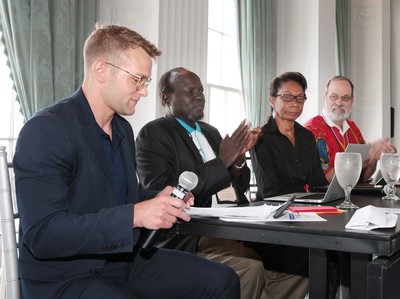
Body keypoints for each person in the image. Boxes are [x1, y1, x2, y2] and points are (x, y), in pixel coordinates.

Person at [13, 24, 240, 299]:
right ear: (101, 71)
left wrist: (157, 197)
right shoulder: (46, 130)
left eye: (145, 81)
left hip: (120, 261)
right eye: (137, 79)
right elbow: (43, 235)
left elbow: (117, 197)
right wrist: (136, 214)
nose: (144, 91)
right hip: (63, 277)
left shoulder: (121, 129)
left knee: (222, 279)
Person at [136, 67, 266, 299]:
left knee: (294, 258)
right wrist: (223, 160)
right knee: (253, 266)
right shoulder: (154, 134)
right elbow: (159, 190)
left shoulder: (211, 132)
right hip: (192, 232)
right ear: (167, 98)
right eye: (190, 91)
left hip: (235, 221)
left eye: (201, 91)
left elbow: (241, 184)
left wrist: (236, 161)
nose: (199, 97)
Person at [303, 75, 397, 183]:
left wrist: (373, 157)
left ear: (352, 101)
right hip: (322, 197)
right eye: (333, 97)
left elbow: (363, 176)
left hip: (352, 197)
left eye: (345, 98)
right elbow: (325, 178)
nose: (339, 102)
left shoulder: (353, 128)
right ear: (324, 97)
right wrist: (366, 155)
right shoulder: (311, 129)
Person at [251, 71, 328, 199]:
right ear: (272, 100)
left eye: (300, 98)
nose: (295, 103)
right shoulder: (261, 138)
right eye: (287, 97)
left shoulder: (306, 136)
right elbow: (268, 191)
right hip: (272, 210)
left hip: (305, 205)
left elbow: (318, 182)